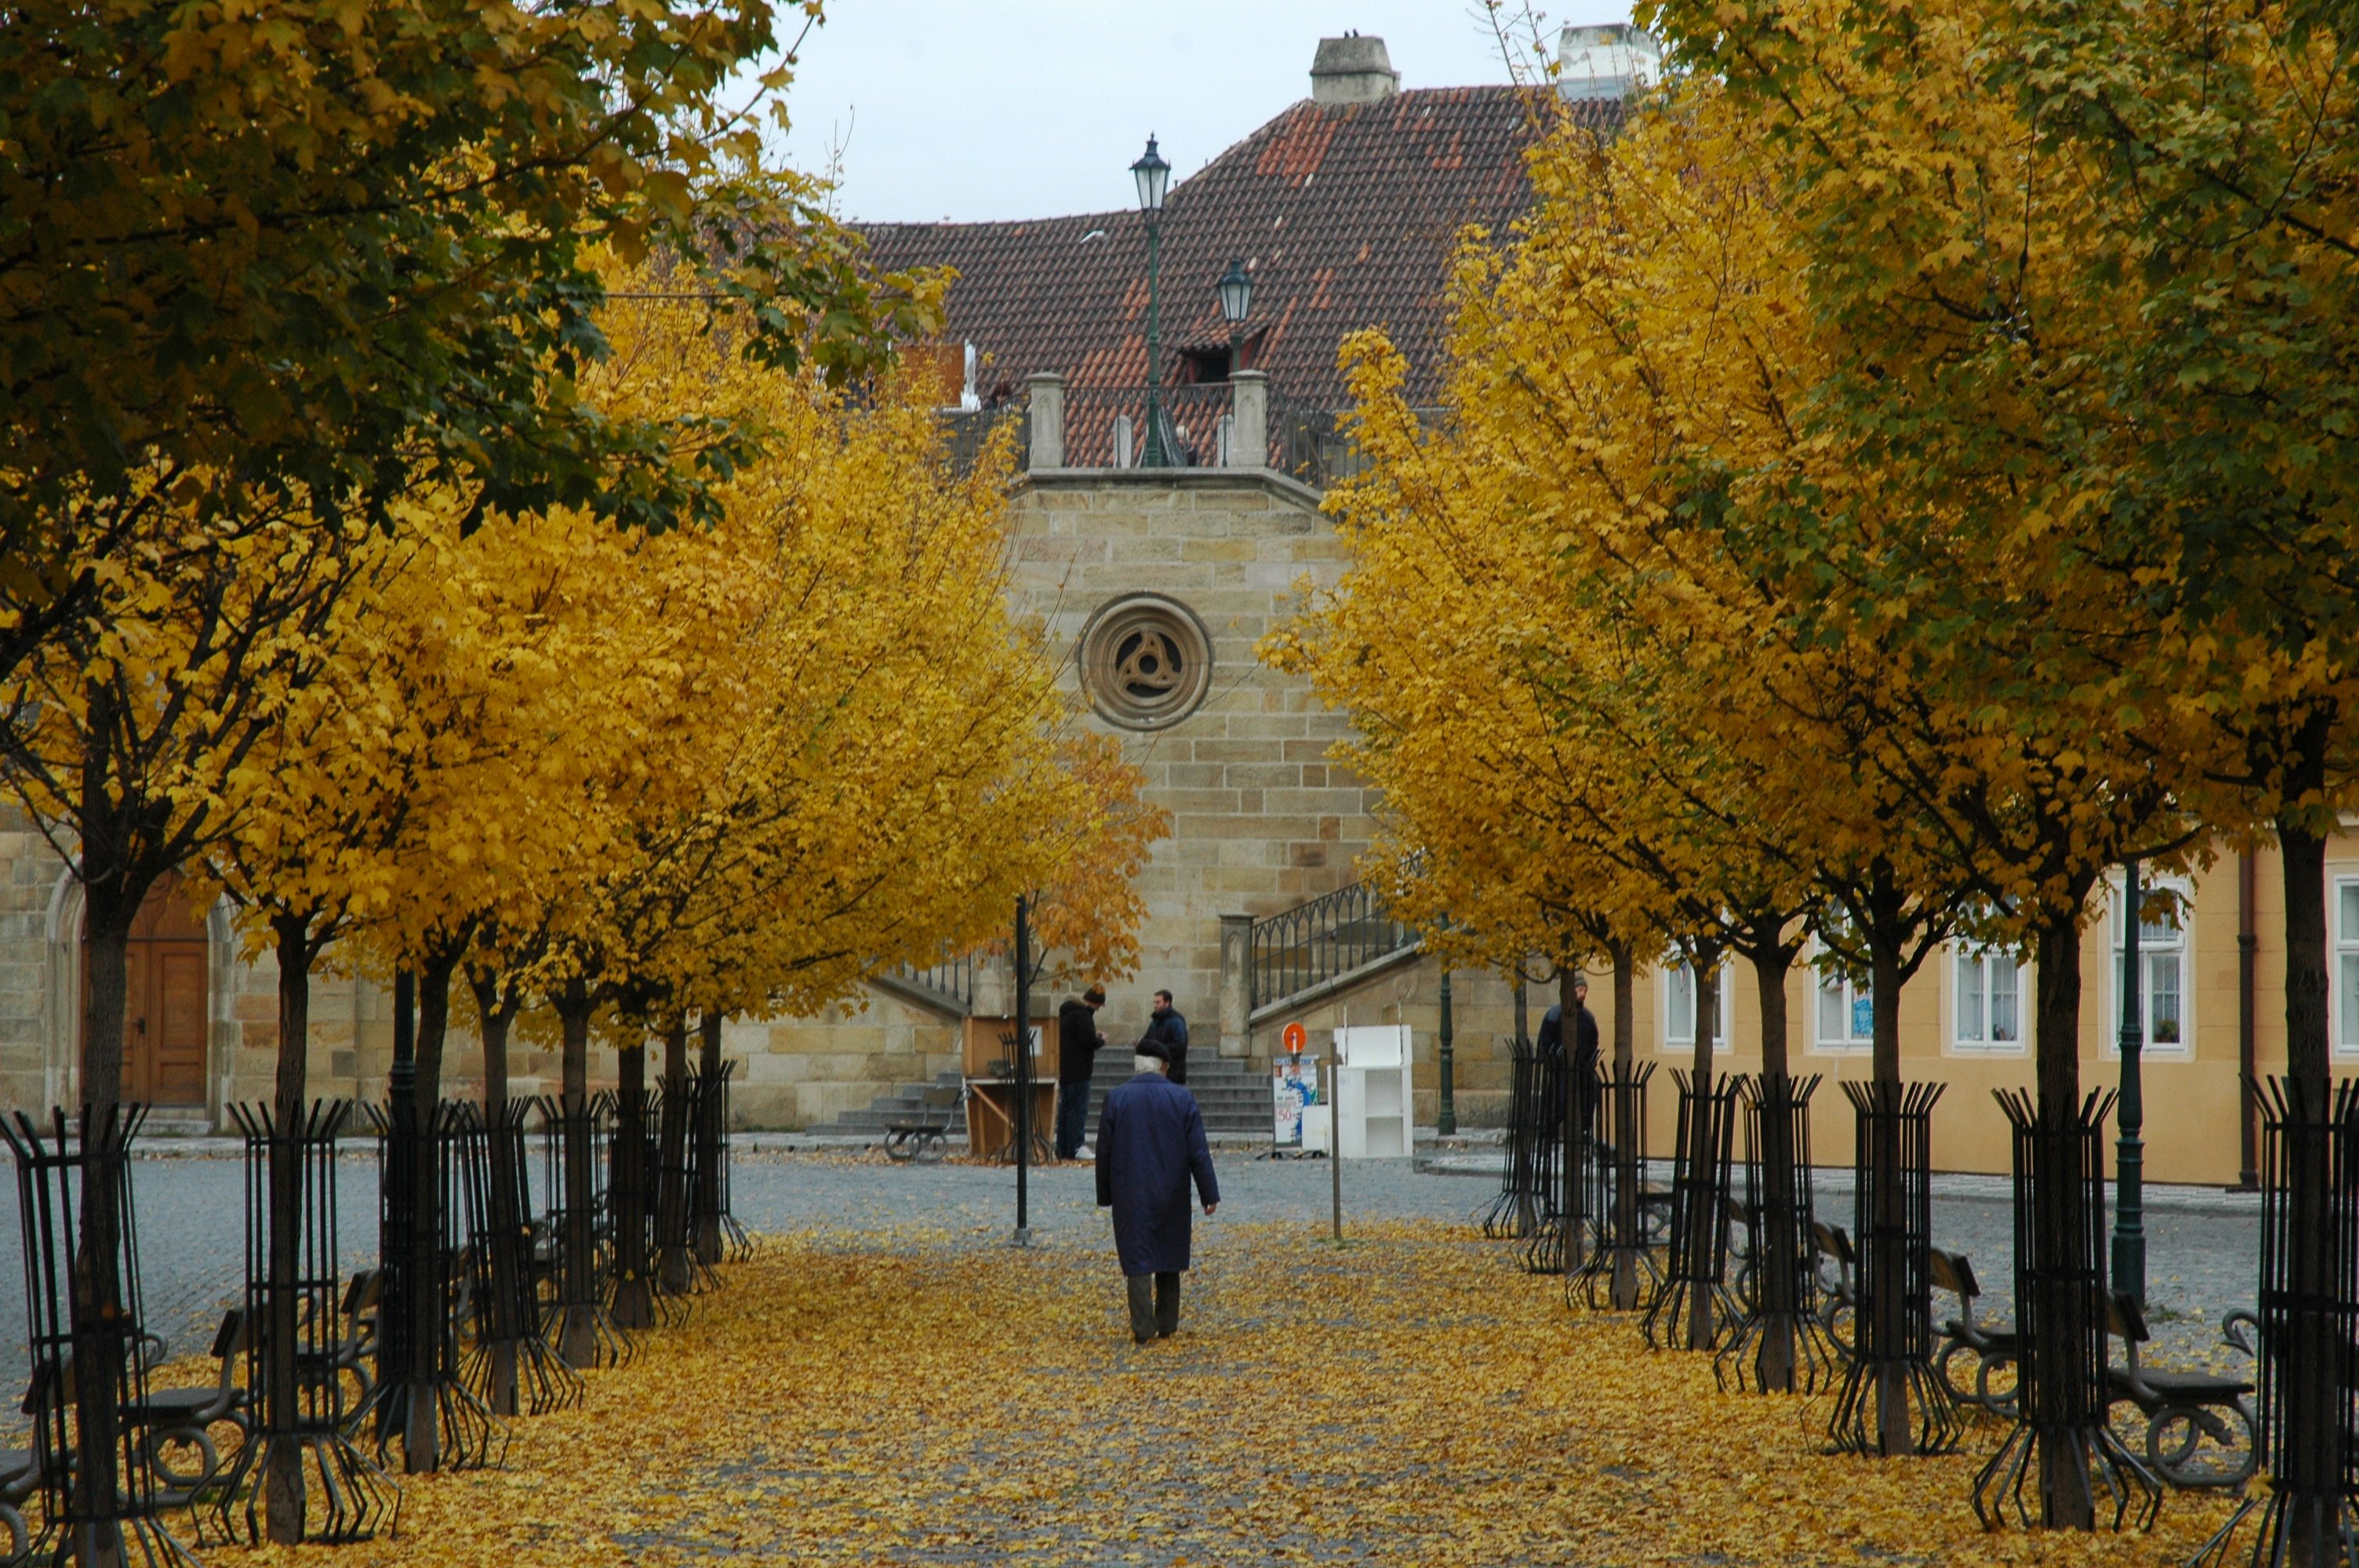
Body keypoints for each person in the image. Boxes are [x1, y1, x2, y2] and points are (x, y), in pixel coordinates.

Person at [1095, 1040, 1219, 1344]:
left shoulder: (1117, 1098)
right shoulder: (1182, 1098)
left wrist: (1105, 1194)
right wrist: (1209, 1194)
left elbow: (1104, 1152)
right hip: (1172, 1187)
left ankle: (1143, 1326)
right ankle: (1167, 1321)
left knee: (1137, 1258)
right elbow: (1198, 1152)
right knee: (1168, 1252)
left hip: (1130, 1190)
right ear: (1163, 1066)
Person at [1056, 985, 1108, 1160]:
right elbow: (1088, 1042)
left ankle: (1063, 1147)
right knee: (1078, 1110)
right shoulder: (1083, 1015)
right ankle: (1077, 1146)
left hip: (1065, 1070)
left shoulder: (1066, 1015)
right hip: (1079, 1070)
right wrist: (1100, 1040)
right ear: (1096, 1003)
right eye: (1100, 1005)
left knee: (1066, 1110)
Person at [1140, 989, 1190, 1085]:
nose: (1155, 1005)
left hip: (1173, 1073)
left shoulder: (1176, 1021)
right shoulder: (1155, 1022)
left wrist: (1156, 1047)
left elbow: (1180, 1046)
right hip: (1155, 1071)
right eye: (1154, 1002)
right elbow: (1147, 1039)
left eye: (1158, 1002)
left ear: (1167, 1003)